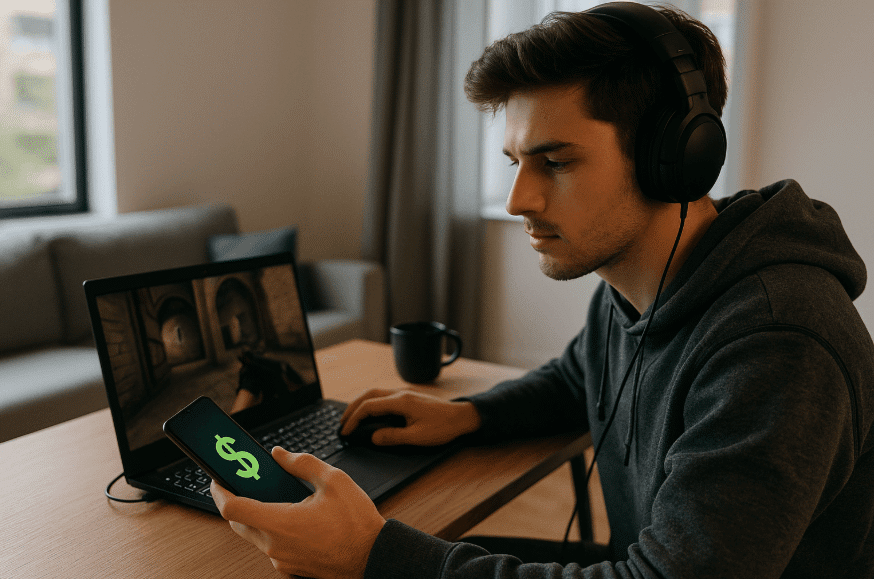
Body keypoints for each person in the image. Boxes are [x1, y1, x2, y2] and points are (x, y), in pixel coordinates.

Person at [209, 4, 874, 578]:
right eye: (515, 163)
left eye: (555, 162)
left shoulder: (778, 343)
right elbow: (576, 378)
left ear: (672, 157)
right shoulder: (639, 284)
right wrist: (469, 415)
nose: (518, 199)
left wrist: (371, 554)